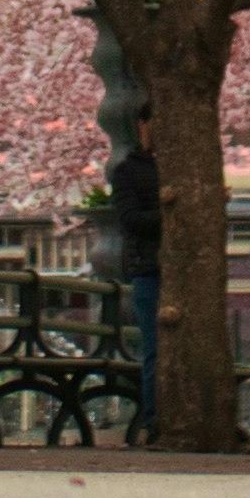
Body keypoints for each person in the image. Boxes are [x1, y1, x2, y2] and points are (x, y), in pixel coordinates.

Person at [107, 133, 165, 448]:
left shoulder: (174, 166)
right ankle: (153, 418)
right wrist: (168, 210)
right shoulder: (127, 171)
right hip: (148, 267)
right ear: (142, 125)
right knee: (153, 347)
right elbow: (129, 219)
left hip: (168, 266)